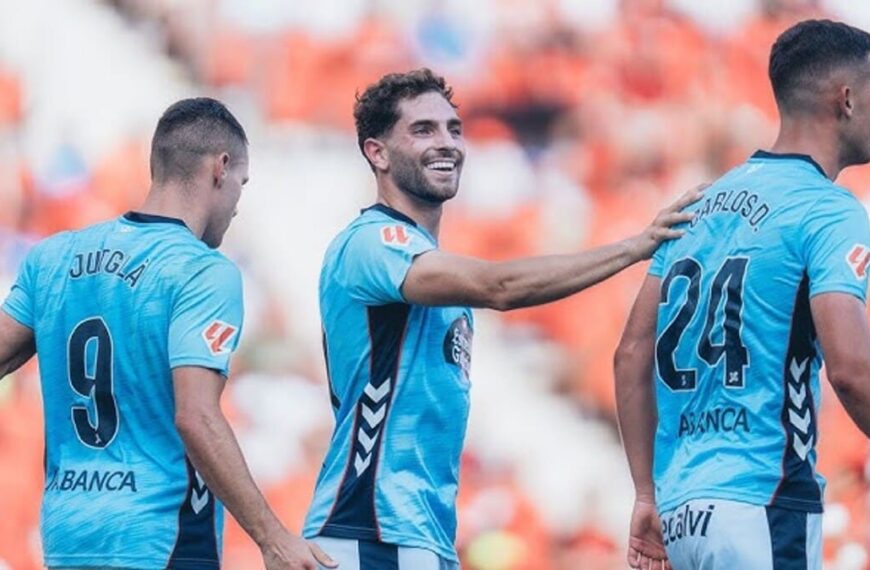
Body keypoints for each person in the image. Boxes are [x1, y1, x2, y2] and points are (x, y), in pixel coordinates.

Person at [301, 68, 701, 569]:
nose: (446, 143)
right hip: (367, 529)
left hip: (419, 533)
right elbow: (500, 286)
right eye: (423, 129)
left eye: (453, 128)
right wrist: (635, 246)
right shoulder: (372, 242)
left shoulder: (427, 261)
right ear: (377, 152)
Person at [0, 98, 336, 570]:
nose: (239, 205)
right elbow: (196, 416)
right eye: (242, 182)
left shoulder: (53, 258)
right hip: (159, 534)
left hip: (68, 532)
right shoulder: (201, 272)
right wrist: (272, 536)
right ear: (220, 168)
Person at [615, 19, 870, 570]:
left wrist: (644, 493)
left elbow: (632, 353)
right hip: (766, 497)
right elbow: (851, 370)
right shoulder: (830, 209)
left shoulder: (698, 204)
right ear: (847, 99)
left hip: (682, 512)